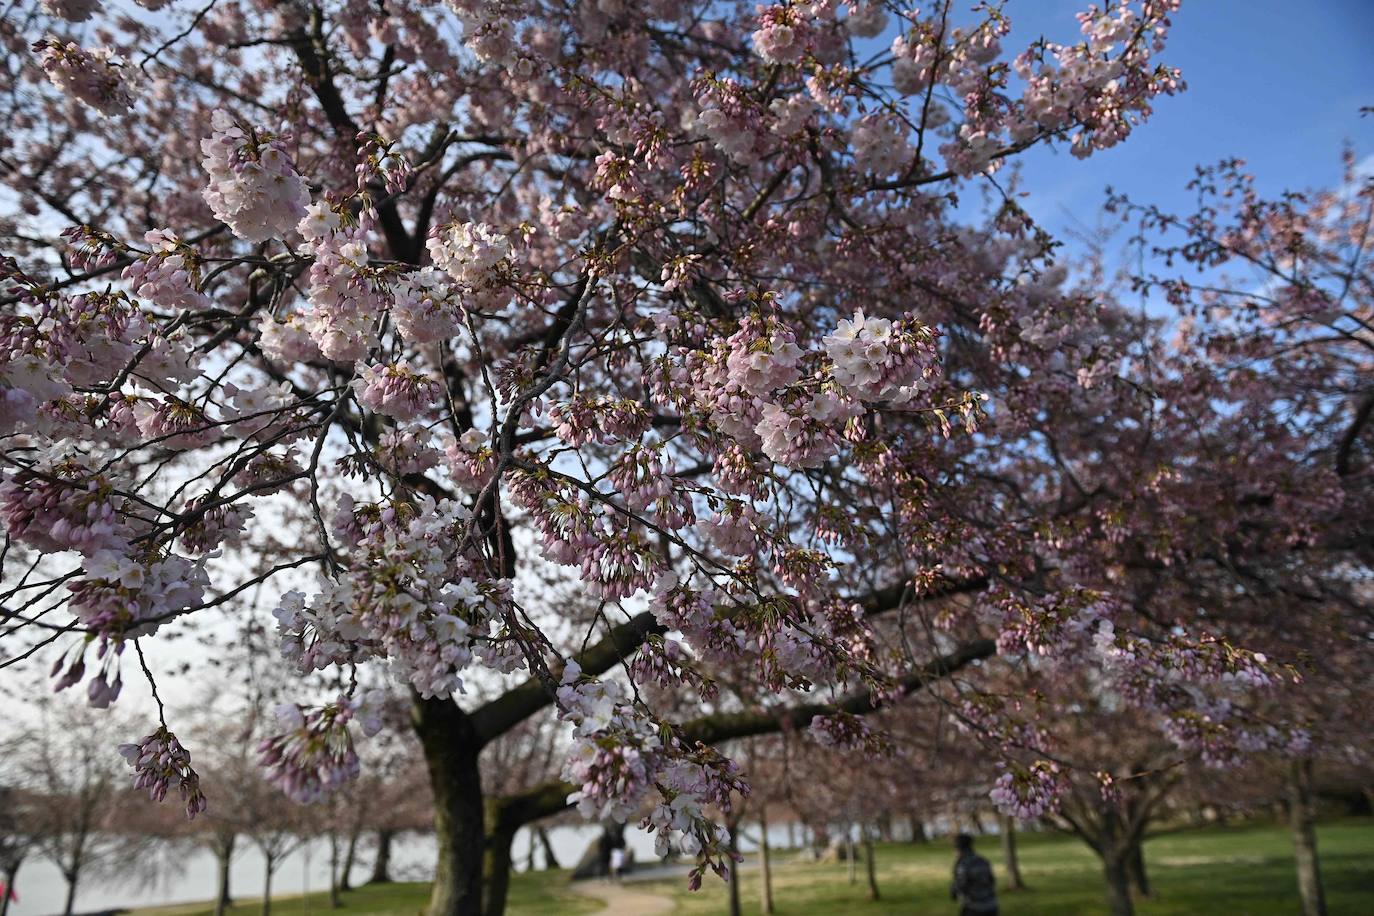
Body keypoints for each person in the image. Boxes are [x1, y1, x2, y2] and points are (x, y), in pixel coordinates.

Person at [950, 833, 998, 915]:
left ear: (957, 848)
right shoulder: (982, 860)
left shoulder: (963, 864)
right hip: (992, 905)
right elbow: (992, 881)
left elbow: (959, 887)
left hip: (975, 908)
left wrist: (953, 891)